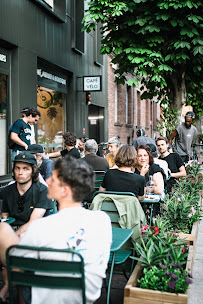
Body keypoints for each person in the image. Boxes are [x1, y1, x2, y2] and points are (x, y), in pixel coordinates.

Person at [0, 157, 112, 304]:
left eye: (53, 179)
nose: (47, 182)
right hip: (85, 296)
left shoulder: (40, 227)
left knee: (4, 233)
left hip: (46, 299)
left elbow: (14, 270)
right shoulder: (102, 220)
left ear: (65, 190)